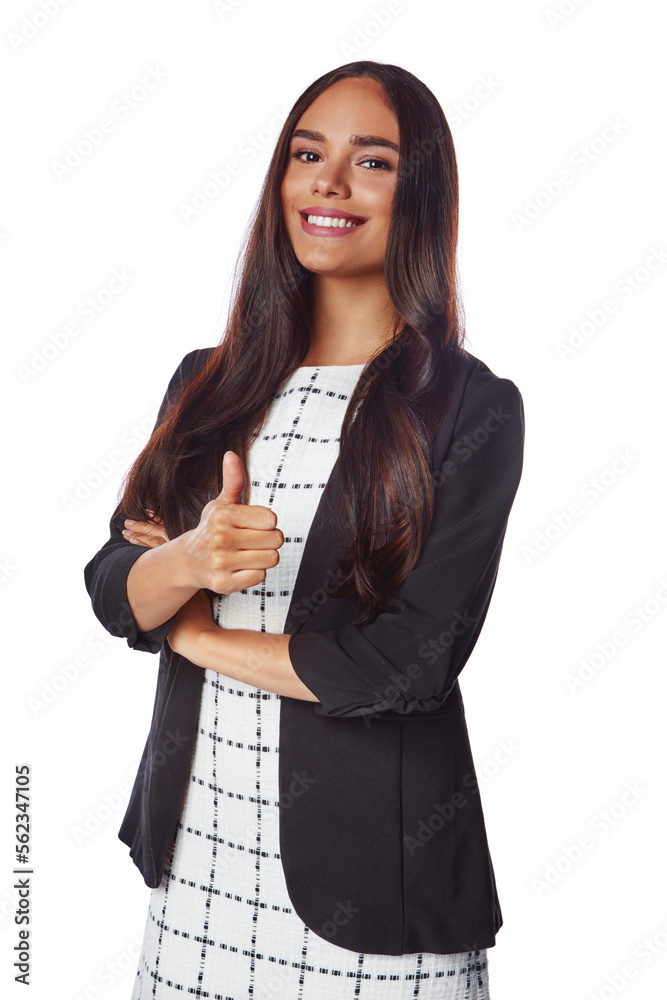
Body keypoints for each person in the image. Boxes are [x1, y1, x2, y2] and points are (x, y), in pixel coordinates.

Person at [84, 60, 525, 1000]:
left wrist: (195, 627)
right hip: (195, 876)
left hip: (372, 904)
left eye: (371, 161)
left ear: (422, 193)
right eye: (305, 154)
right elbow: (114, 584)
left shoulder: (466, 407)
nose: (327, 183)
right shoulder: (208, 382)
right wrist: (185, 561)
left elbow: (409, 665)